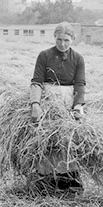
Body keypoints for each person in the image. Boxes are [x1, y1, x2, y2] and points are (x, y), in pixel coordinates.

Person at [29, 22, 86, 193]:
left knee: (68, 140)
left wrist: (77, 106)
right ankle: (45, 181)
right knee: (47, 139)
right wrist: (35, 104)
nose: (62, 44)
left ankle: (68, 182)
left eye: (66, 40)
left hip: (68, 103)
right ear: (54, 37)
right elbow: (36, 82)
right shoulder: (44, 56)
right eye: (59, 39)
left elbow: (80, 84)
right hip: (48, 101)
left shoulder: (78, 59)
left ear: (73, 39)